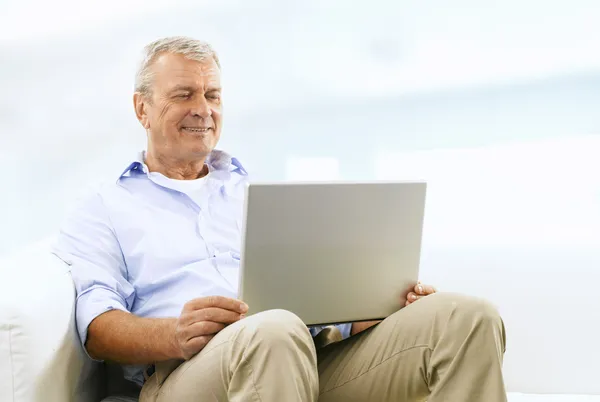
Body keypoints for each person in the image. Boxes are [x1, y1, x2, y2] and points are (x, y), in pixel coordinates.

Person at [52, 36, 507, 402]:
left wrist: (368, 309)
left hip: (304, 355)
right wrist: (174, 334)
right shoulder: (104, 204)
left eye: (212, 94)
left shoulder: (258, 192)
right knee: (272, 328)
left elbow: (311, 297)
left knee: (465, 317)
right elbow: (98, 329)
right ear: (142, 108)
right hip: (183, 375)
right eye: (183, 94)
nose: (203, 109)